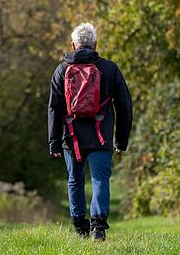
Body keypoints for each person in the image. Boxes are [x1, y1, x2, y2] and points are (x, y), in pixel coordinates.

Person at [48, 23, 133, 241]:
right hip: (100, 135)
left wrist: (54, 142)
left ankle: (79, 228)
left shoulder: (61, 70)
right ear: (95, 44)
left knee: (74, 181)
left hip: (71, 137)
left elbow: (54, 108)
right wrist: (121, 140)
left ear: (73, 44)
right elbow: (124, 105)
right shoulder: (110, 69)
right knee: (99, 180)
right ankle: (98, 228)